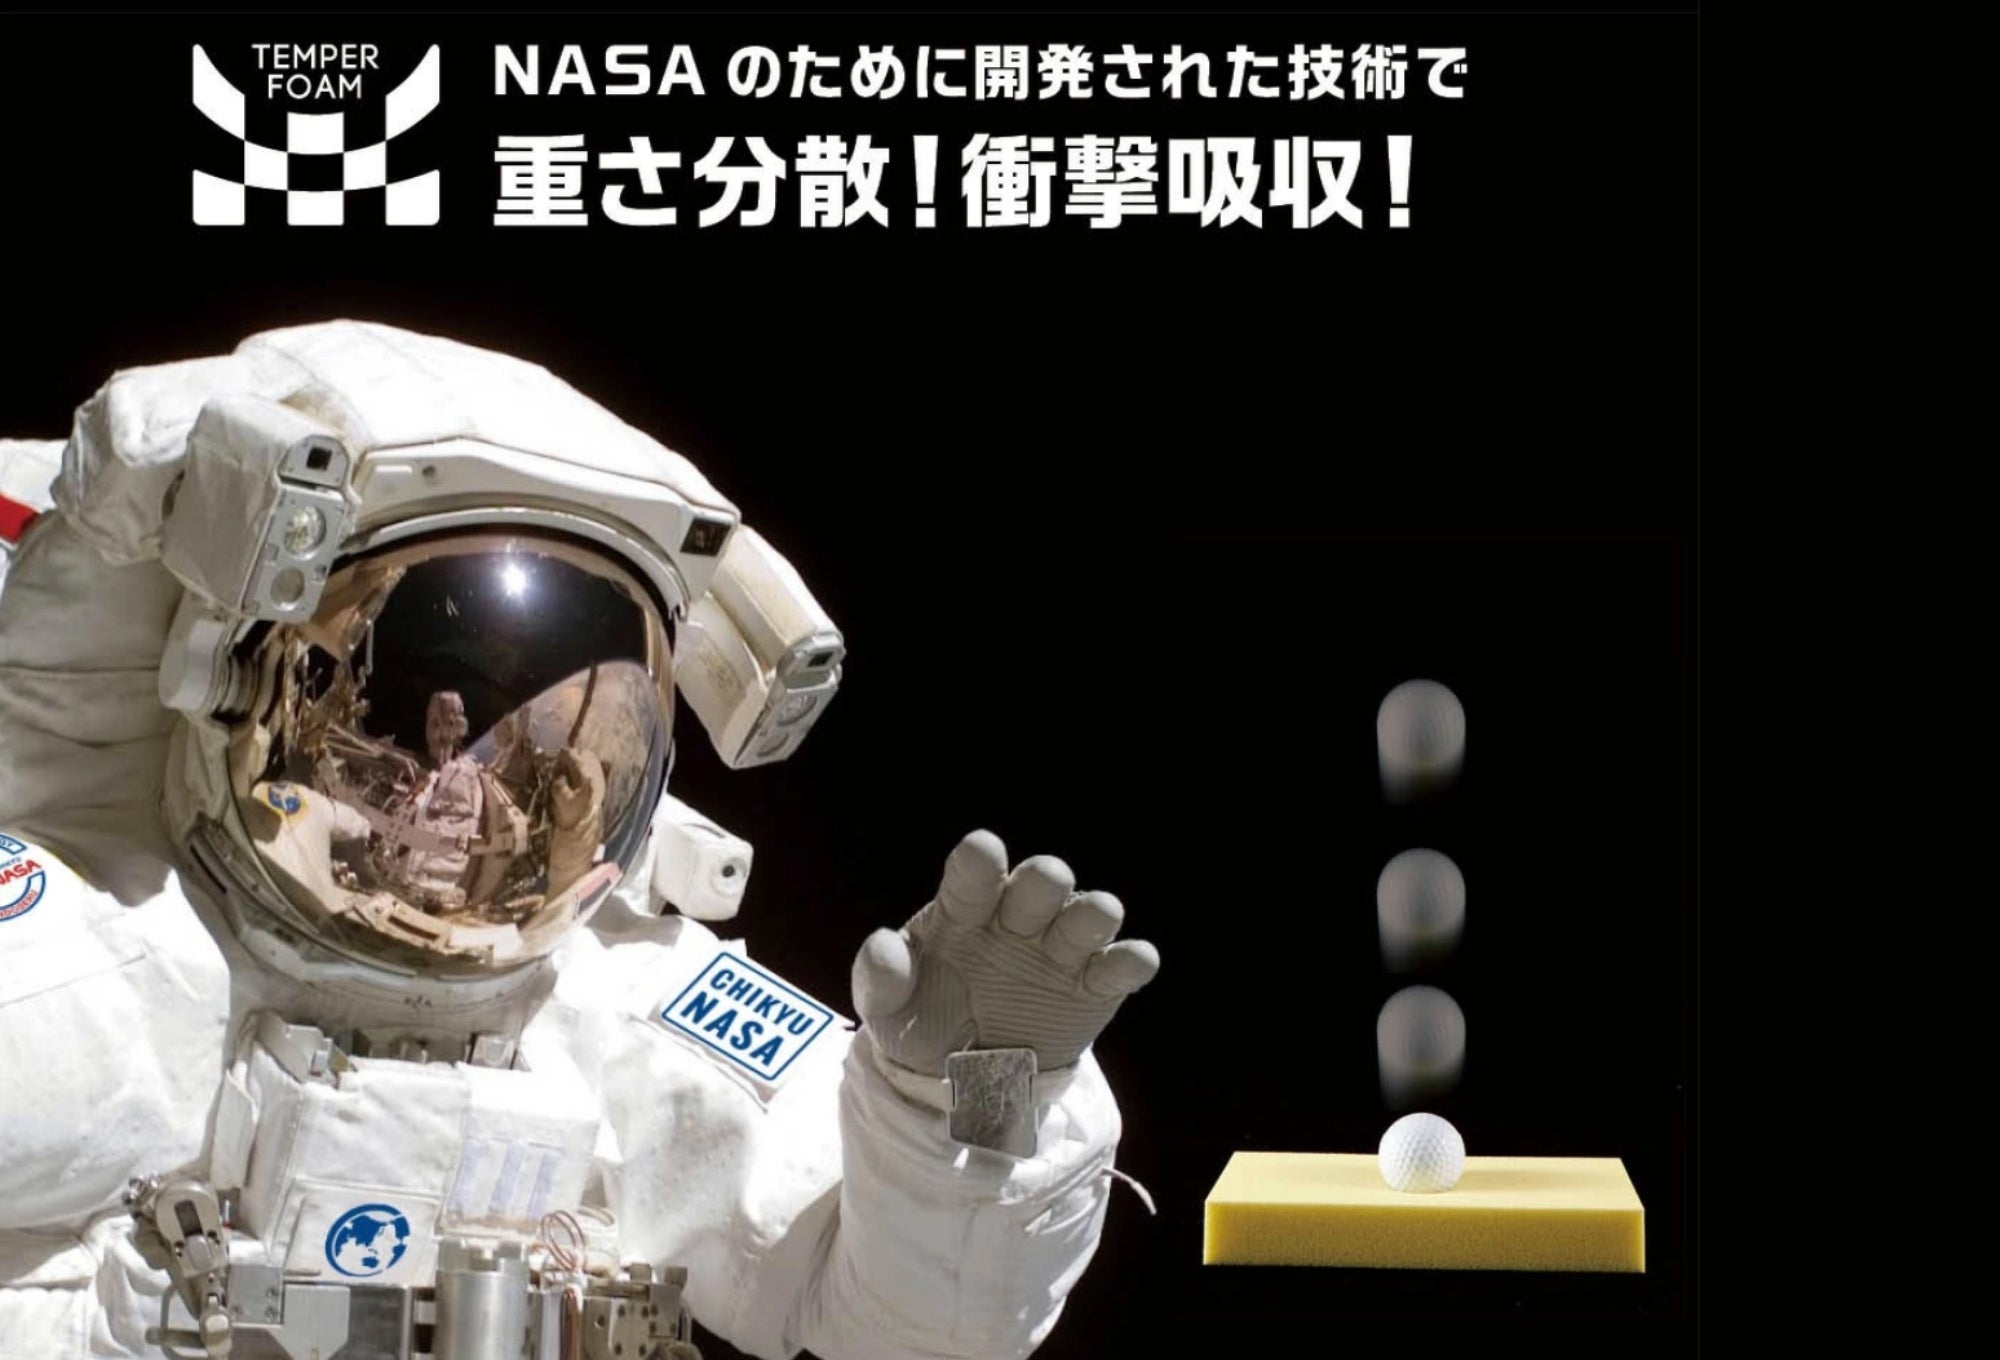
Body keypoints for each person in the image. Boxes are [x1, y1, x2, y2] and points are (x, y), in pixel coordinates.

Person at [0, 321, 1158, 1360]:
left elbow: (915, 1325)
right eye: (403, 720)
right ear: (227, 686)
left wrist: (972, 1095)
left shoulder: (612, 1000)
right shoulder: (98, 972)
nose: (459, 781)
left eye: (524, 745)